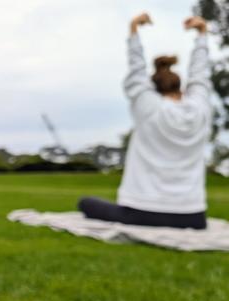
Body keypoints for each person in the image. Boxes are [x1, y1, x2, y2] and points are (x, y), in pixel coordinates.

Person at [78, 13, 211, 230]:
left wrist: (133, 30)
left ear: (154, 88)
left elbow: (137, 71)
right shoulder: (200, 108)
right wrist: (202, 34)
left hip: (141, 212)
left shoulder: (149, 105)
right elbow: (201, 74)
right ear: (182, 87)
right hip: (193, 216)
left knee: (85, 203)